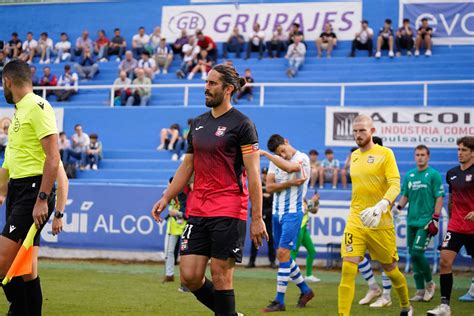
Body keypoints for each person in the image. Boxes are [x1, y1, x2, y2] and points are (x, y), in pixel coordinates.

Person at [151, 64, 268, 316]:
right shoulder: (198, 123)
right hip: (198, 208)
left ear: (228, 89)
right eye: (206, 82)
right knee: (190, 277)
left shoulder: (243, 124)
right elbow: (187, 166)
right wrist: (166, 196)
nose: (206, 87)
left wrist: (256, 217)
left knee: (221, 275)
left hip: (229, 208)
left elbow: (254, 174)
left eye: (212, 83)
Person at [0, 59, 60, 316]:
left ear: (8, 82)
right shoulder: (18, 112)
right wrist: (2, 191)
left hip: (34, 191)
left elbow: (53, 157)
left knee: (2, 263)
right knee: (25, 270)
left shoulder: (38, 106)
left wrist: (42, 198)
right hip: (17, 191)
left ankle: (19, 311)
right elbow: (10, 160)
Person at [338, 114, 413, 315]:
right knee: (348, 268)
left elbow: (396, 184)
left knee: (391, 270)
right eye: (354, 131)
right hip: (356, 220)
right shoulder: (353, 156)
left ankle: (406, 305)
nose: (357, 134)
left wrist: (382, 205)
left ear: (372, 131)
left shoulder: (386, 154)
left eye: (362, 130)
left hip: (381, 221)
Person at [259, 134, 314, 312]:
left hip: (293, 212)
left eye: (282, 150)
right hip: (276, 212)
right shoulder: (277, 160)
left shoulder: (302, 158)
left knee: (283, 252)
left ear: (287, 142)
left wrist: (268, 155)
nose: (282, 155)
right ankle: (306, 290)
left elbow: (291, 169)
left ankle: (279, 300)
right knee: (282, 255)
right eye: (278, 154)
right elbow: (269, 187)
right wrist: (290, 183)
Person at [427, 136, 474, 315]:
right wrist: (452, 217)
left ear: (473, 153)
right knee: (445, 261)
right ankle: (445, 306)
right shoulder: (451, 173)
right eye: (458, 149)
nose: (460, 153)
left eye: (464, 150)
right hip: (456, 226)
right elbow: (452, 199)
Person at [394, 145, 444, 303]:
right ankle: (420, 291)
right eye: (417, 155)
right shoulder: (410, 175)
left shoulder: (434, 175)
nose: (420, 157)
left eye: (423, 154)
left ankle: (430, 284)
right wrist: (397, 208)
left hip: (426, 222)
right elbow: (405, 196)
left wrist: (435, 218)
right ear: (414, 156)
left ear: (428, 156)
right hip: (411, 221)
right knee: (414, 256)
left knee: (416, 253)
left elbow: (439, 197)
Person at [246, 167, 277, 269]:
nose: (264, 175)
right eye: (263, 173)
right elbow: (253, 198)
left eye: (266, 173)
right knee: (255, 238)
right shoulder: (258, 185)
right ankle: (251, 261)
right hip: (258, 215)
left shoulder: (271, 186)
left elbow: (273, 201)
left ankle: (272, 261)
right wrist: (264, 196)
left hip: (267, 216)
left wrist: (263, 196)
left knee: (270, 239)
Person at [163, 177, 189, 283]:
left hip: (186, 228)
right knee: (168, 251)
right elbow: (163, 201)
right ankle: (169, 275)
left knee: (186, 254)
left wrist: (178, 214)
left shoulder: (188, 196)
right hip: (172, 228)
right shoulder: (169, 195)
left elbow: (190, 213)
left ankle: (186, 278)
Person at [291, 193, 320, 283]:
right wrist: (312, 201)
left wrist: (315, 203)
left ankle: (308, 275)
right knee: (294, 251)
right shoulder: (296, 197)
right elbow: (304, 210)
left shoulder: (304, 198)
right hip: (298, 228)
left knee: (312, 251)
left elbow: (313, 211)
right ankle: (291, 275)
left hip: (304, 229)